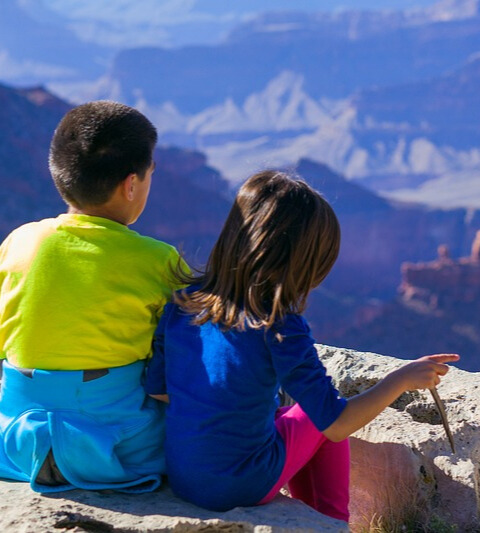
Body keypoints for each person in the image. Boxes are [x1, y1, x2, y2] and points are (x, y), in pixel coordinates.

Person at [144, 169, 458, 522]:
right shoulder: (278, 325)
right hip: (241, 485)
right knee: (318, 413)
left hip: (185, 478)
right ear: (302, 260)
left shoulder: (183, 303)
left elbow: (160, 391)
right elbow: (336, 424)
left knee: (287, 415)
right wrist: (401, 379)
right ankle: (332, 523)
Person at [0, 100, 182, 493]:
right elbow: (181, 370)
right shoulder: (159, 261)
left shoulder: (19, 241)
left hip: (23, 445)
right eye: (150, 175)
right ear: (131, 184)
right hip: (122, 452)